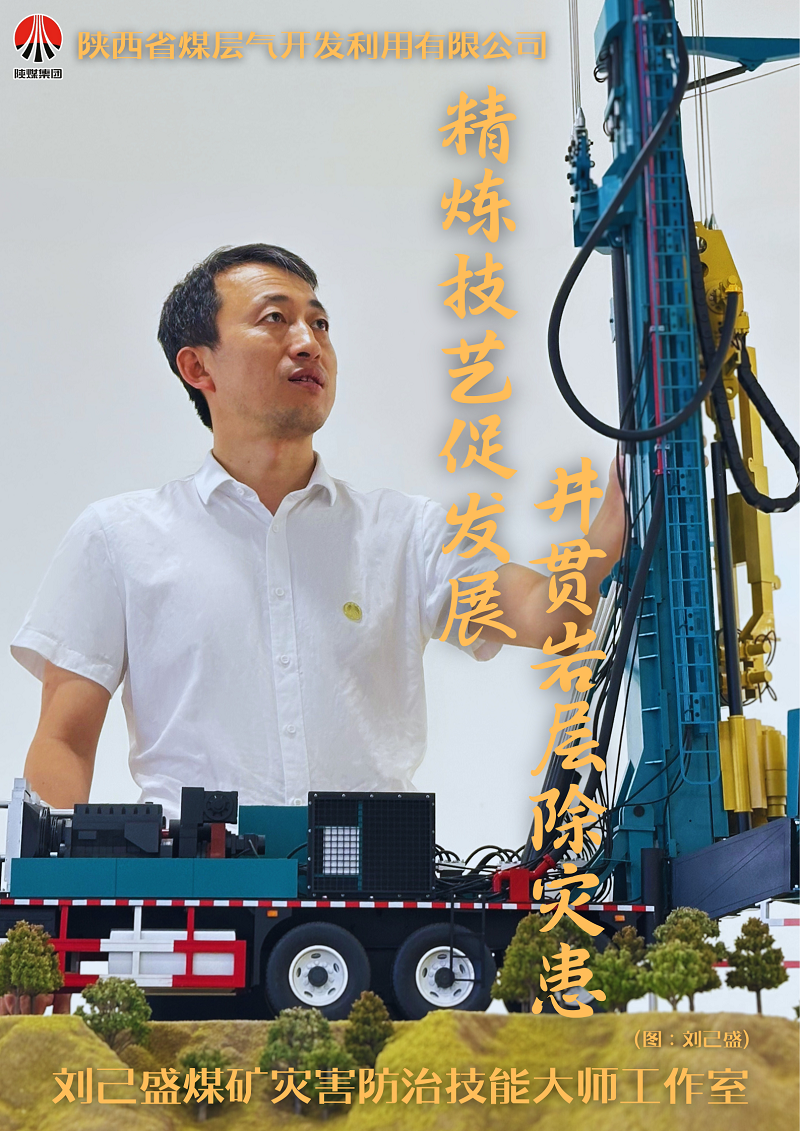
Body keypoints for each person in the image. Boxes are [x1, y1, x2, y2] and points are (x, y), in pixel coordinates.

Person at [12, 243, 625, 820]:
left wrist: (623, 498)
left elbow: (552, 619)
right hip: (196, 879)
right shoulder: (119, 538)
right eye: (275, 319)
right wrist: (54, 885)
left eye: (320, 324)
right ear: (198, 366)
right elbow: (65, 741)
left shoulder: (406, 535)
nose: (309, 343)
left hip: (373, 874)